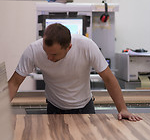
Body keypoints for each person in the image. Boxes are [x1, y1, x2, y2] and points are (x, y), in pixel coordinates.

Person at [8, 23, 142, 121]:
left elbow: (108, 78)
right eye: (46, 52)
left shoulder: (87, 46)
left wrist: (122, 109)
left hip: (84, 108)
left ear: (69, 47)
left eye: (54, 54)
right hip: (54, 108)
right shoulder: (33, 50)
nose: (49, 57)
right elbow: (14, 83)